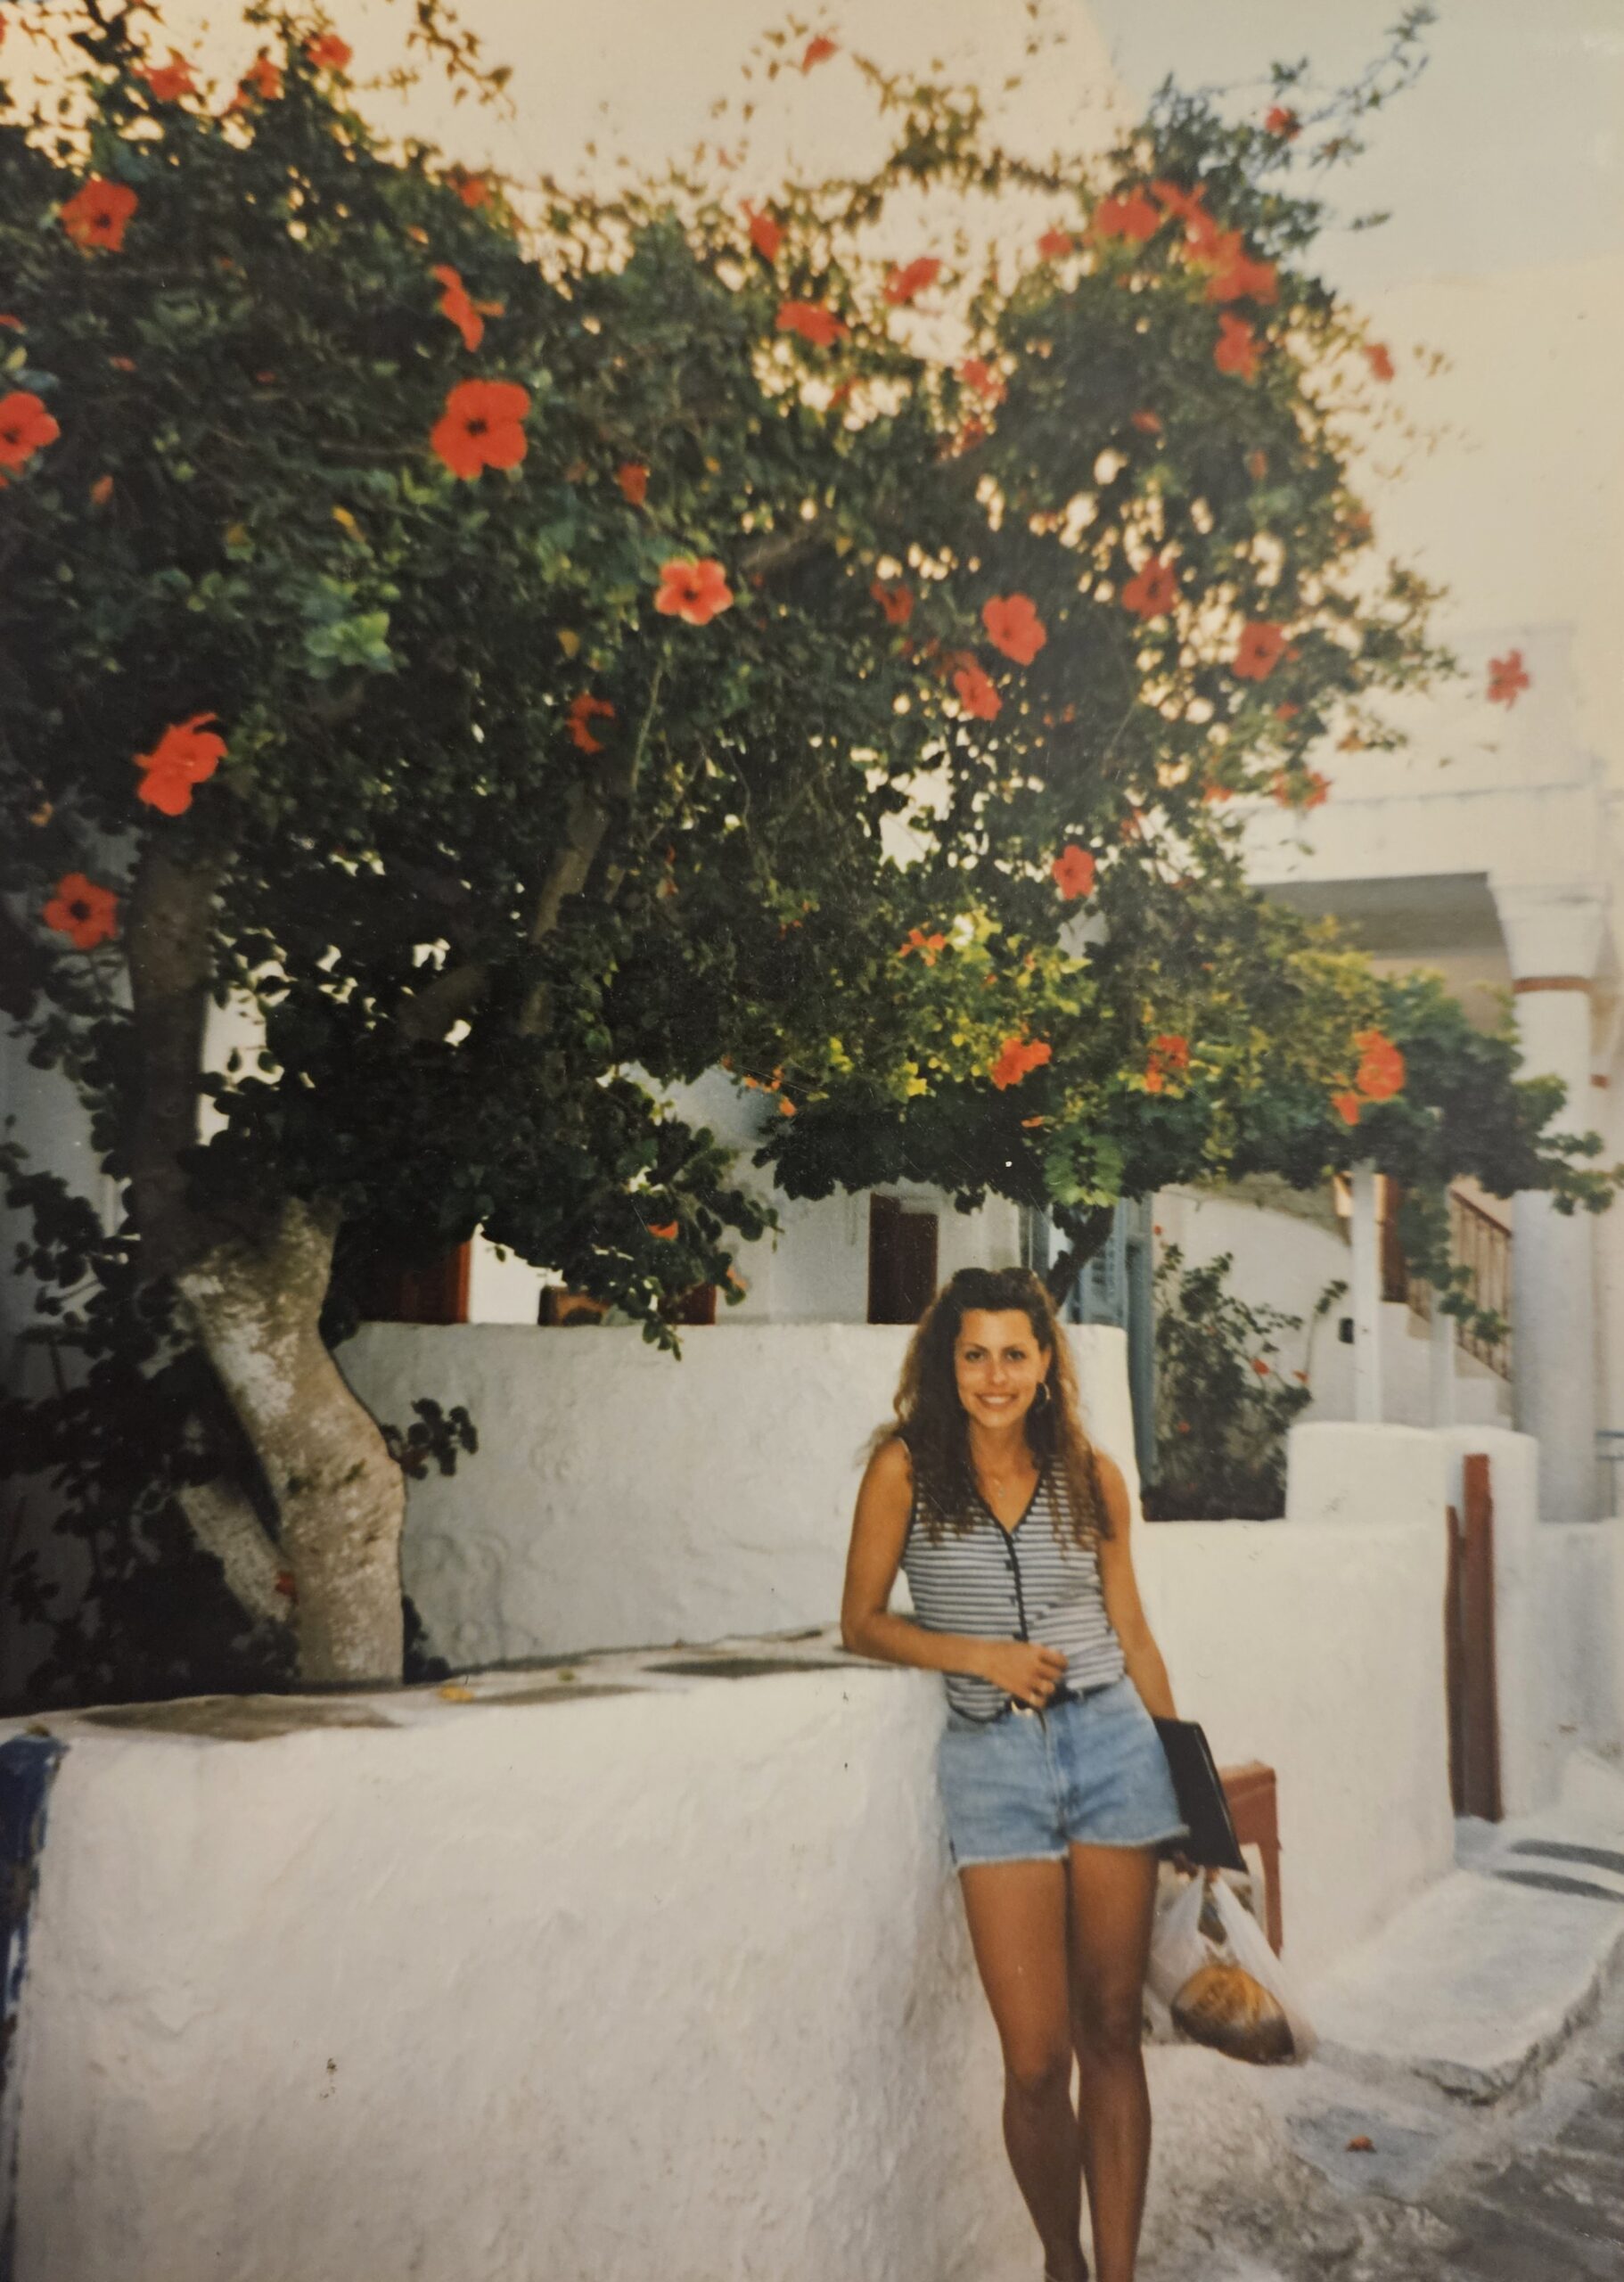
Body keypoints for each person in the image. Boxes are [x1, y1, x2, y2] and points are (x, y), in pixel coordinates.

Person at [840, 1265, 1186, 2282]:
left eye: (1015, 1354)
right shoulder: (904, 1469)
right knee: (1037, 2060)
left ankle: (1116, 2274)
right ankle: (1060, 2259)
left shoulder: (1091, 1474)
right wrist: (979, 1655)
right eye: (974, 1353)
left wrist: (1190, 1797)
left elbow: (1134, 1633)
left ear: (1046, 1364)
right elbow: (859, 1622)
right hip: (991, 1764)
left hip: (1114, 1747)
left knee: (1112, 2027)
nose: (995, 1375)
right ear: (946, 1363)